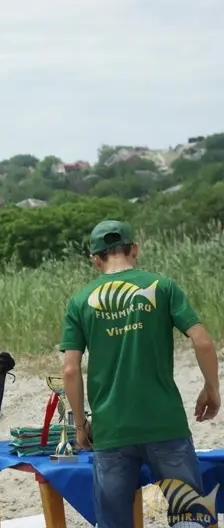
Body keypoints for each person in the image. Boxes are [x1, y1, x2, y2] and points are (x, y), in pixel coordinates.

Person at [59, 220, 220, 528]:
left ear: (95, 259)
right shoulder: (163, 287)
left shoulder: (80, 301)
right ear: (134, 249)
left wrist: (80, 425)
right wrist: (211, 388)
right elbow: (203, 342)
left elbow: (69, 370)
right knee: (190, 517)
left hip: (111, 429)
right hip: (165, 423)